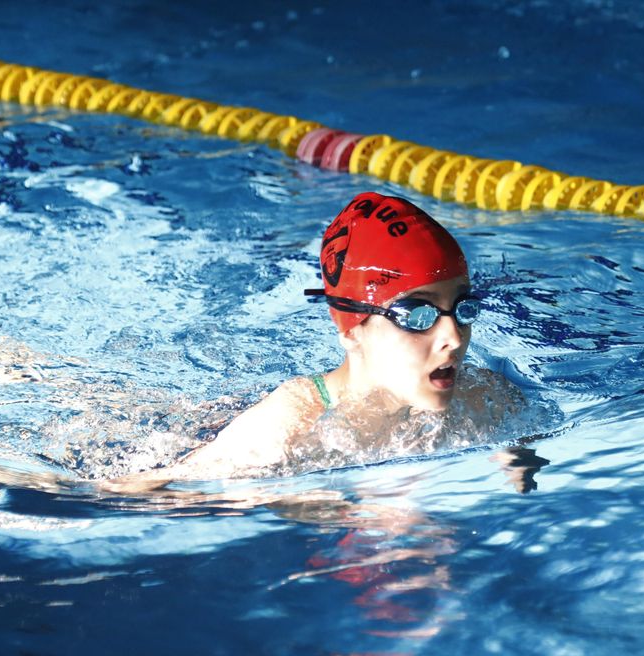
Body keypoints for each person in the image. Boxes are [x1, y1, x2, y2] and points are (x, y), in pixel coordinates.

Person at [160, 191, 531, 480]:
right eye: (417, 314)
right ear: (352, 330)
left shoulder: (488, 399)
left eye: (463, 307)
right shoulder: (289, 431)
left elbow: (525, 456)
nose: (453, 336)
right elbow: (147, 490)